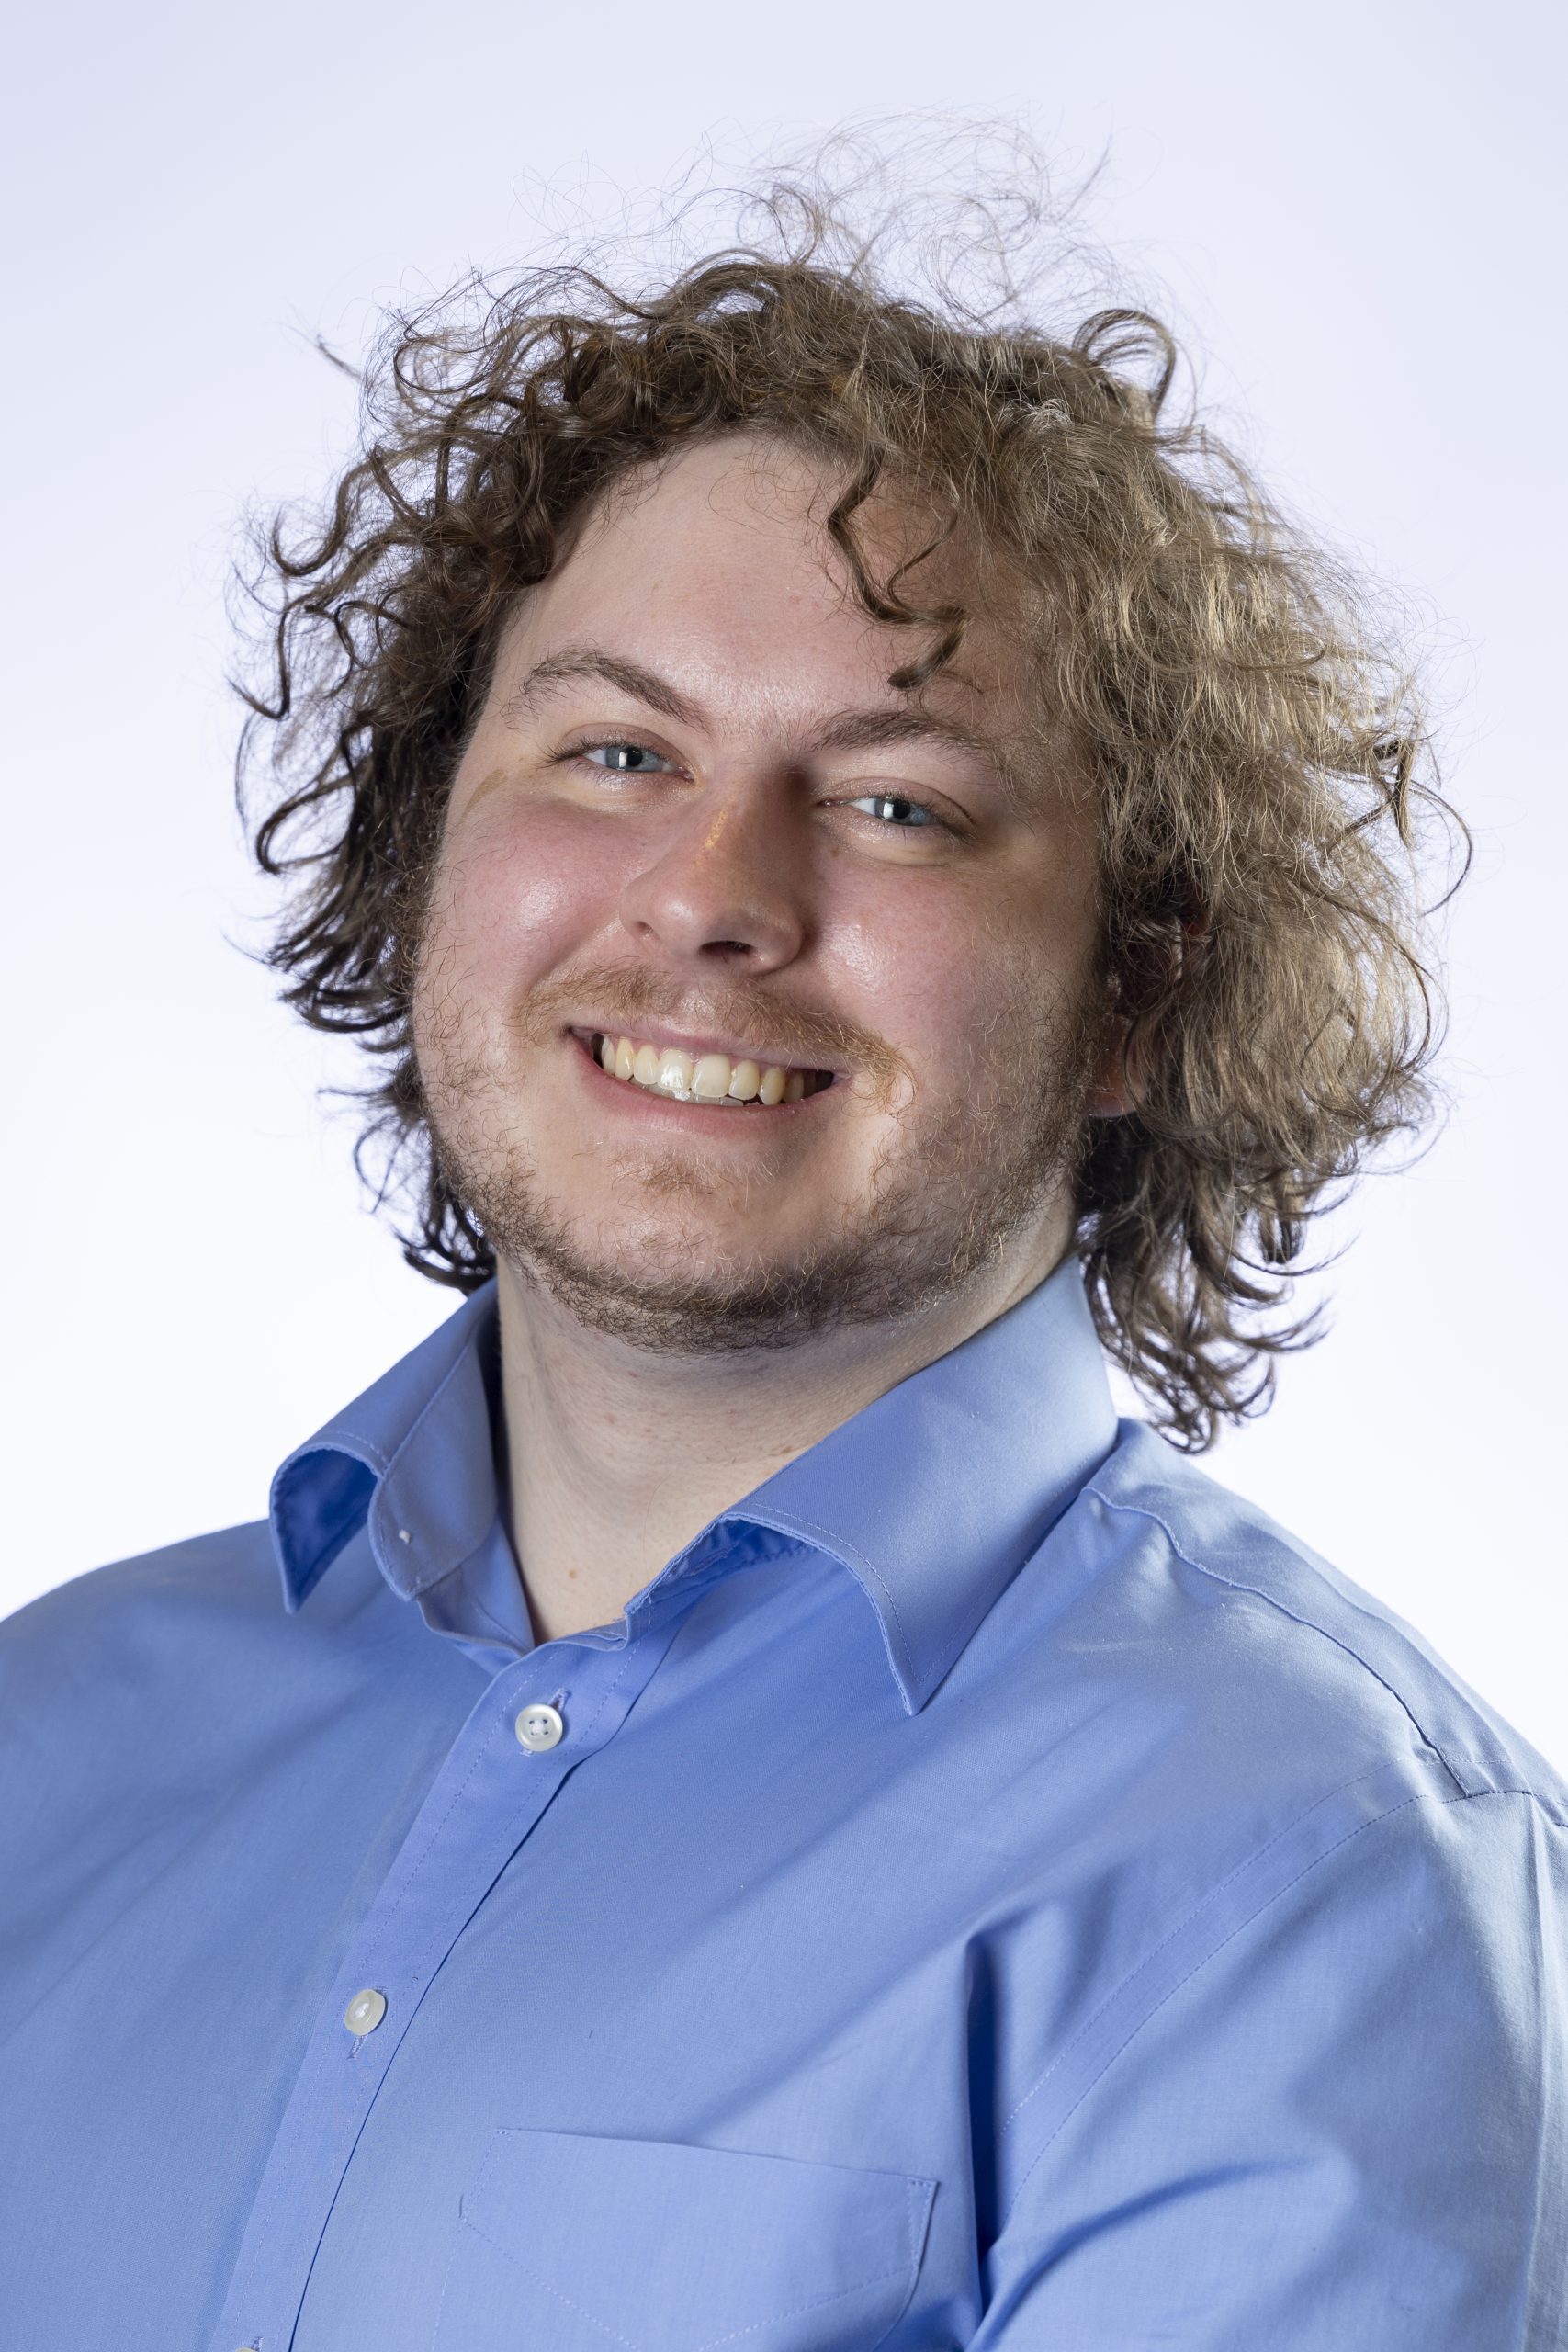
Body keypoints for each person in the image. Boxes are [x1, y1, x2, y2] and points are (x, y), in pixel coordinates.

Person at [2, 172, 1564, 2352]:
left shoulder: (1310, 1867)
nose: (712, 895)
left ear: (1133, 990)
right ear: (431, 844)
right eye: (613, 751)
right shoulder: (51, 1729)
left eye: (898, 801)